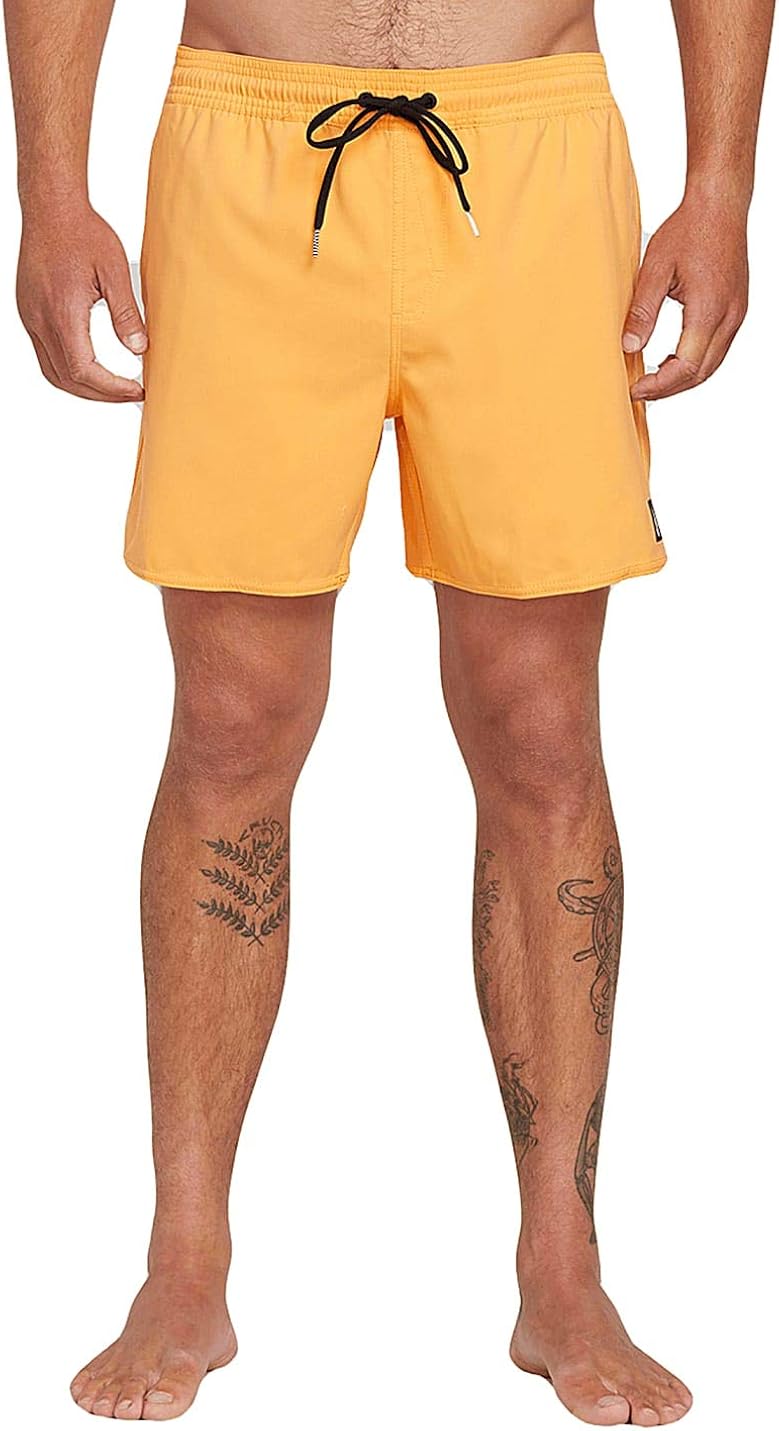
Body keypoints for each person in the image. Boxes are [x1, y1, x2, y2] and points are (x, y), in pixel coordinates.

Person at [5, 0, 774, 1423]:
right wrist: (50, 186)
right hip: (249, 144)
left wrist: (721, 182)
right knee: (232, 720)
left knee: (541, 726)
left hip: (533, 153)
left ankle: (563, 1267)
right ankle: (185, 1258)